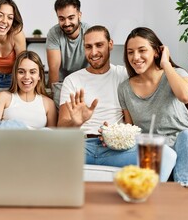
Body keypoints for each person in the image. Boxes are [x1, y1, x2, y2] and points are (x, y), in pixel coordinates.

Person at [117, 27, 188, 206]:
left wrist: (166, 64)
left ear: (156, 51)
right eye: (130, 52)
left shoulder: (176, 75)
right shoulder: (124, 89)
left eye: (142, 50)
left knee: (186, 137)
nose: (135, 57)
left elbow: (186, 96)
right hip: (162, 154)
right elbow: (131, 130)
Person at [57, 25, 177, 181]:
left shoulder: (126, 75)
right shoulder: (73, 80)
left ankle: (147, 199)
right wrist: (75, 122)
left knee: (166, 154)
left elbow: (167, 85)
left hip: (116, 150)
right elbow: (61, 129)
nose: (93, 52)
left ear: (110, 45)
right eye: (88, 47)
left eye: (99, 45)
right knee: (43, 144)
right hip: (81, 146)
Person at [0, 50, 57, 128]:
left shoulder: (49, 104)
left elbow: (52, 136)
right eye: (21, 72)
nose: (26, 77)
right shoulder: (3, 98)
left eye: (32, 72)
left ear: (39, 76)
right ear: (15, 74)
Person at [46, 0, 90, 107]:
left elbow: (95, 64)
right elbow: (54, 69)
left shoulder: (89, 32)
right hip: (61, 83)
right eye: (61, 18)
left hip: (84, 82)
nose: (66, 23)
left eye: (71, 18)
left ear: (79, 15)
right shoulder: (54, 33)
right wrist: (54, 98)